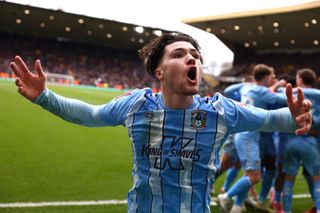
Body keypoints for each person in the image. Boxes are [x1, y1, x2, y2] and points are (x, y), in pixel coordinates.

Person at [10, 32, 312, 213]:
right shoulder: (138, 105)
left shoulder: (221, 111)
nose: (191, 59)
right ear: (160, 71)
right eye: (179, 54)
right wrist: (44, 97)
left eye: (195, 55)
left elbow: (272, 119)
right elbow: (91, 115)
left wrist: (295, 117)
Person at [218, 64, 288, 213]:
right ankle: (226, 196)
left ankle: (237, 206)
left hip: (245, 134)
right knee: (254, 176)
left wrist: (245, 83)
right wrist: (285, 88)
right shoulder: (262, 90)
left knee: (249, 173)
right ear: (266, 78)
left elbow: (229, 91)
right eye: (272, 76)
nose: (273, 78)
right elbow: (283, 99)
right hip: (249, 137)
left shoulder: (246, 88)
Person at [282, 68, 320, 213]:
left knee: (289, 180)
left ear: (300, 79)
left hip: (291, 141)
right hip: (311, 143)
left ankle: (286, 210)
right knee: (317, 179)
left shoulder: (290, 94)